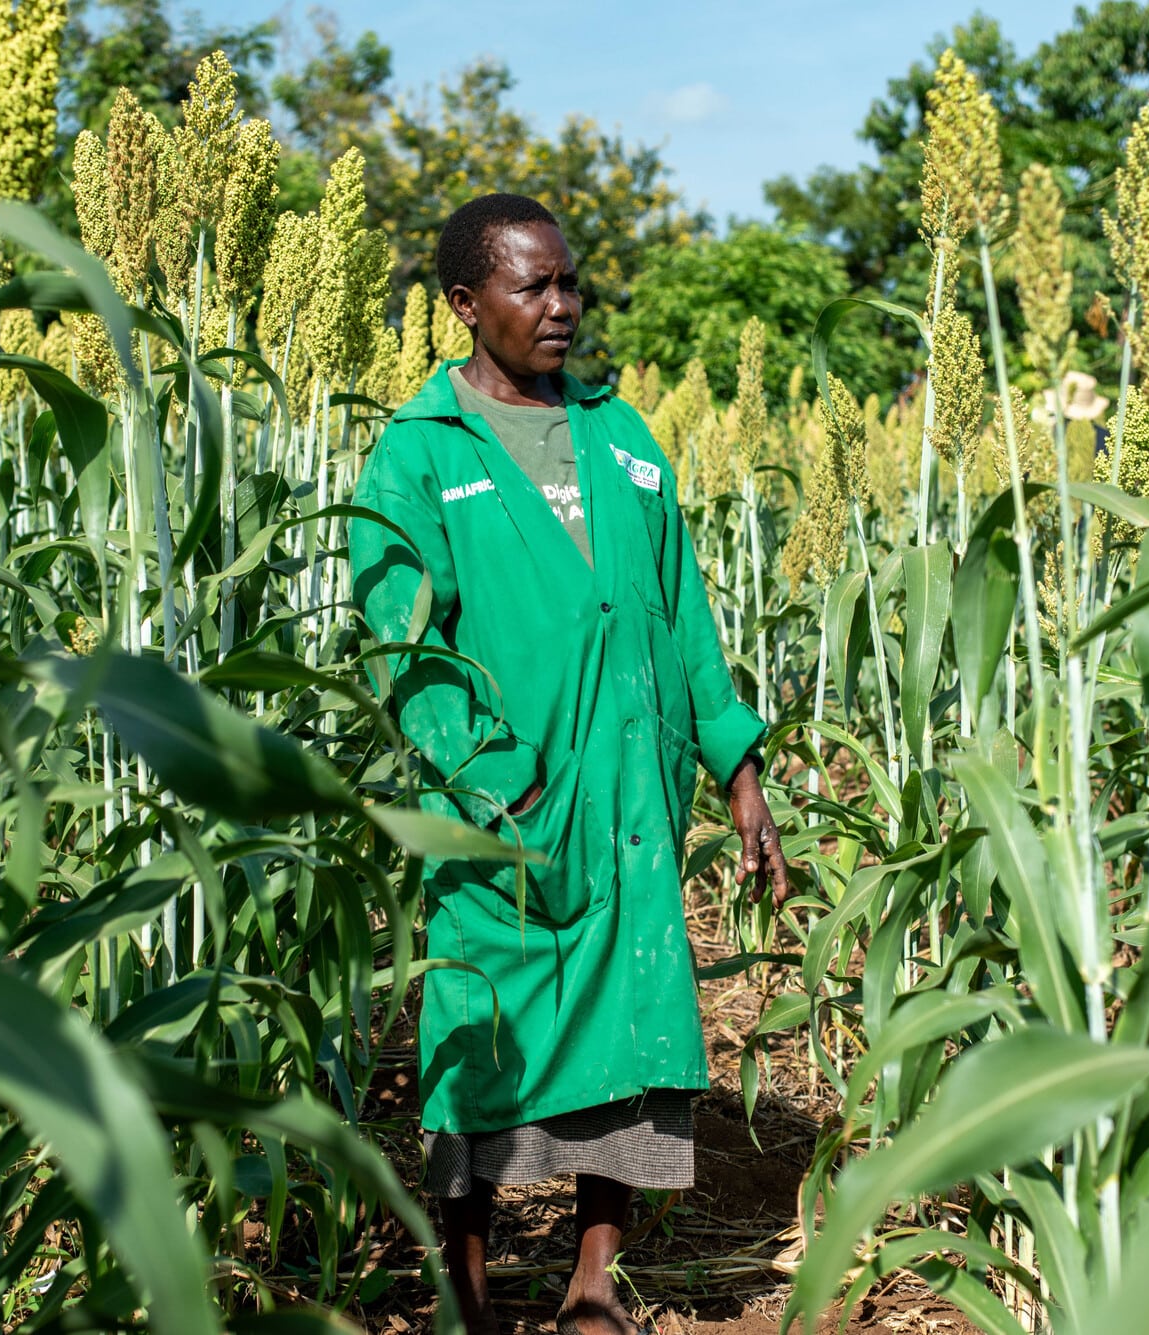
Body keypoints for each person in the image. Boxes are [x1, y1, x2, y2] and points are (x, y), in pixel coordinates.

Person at [349, 193, 791, 1335]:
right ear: (464, 304)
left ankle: (592, 1280)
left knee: (633, 1018)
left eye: (567, 283)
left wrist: (736, 767)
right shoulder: (418, 453)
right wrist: (497, 779)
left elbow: (682, 613)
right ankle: (468, 1283)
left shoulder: (621, 434)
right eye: (529, 286)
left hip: (632, 794)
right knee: (481, 1033)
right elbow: (401, 642)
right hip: (505, 805)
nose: (559, 306)